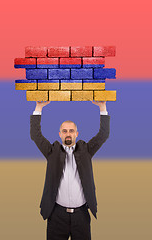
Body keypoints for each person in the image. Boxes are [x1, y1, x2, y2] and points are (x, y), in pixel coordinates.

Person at [30, 100, 110, 240]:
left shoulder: (86, 150)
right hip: (56, 215)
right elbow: (35, 135)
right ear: (60, 134)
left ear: (76, 134)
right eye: (65, 131)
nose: (68, 134)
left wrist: (102, 107)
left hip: (81, 216)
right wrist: (39, 107)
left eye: (71, 131)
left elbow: (103, 135)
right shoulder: (52, 151)